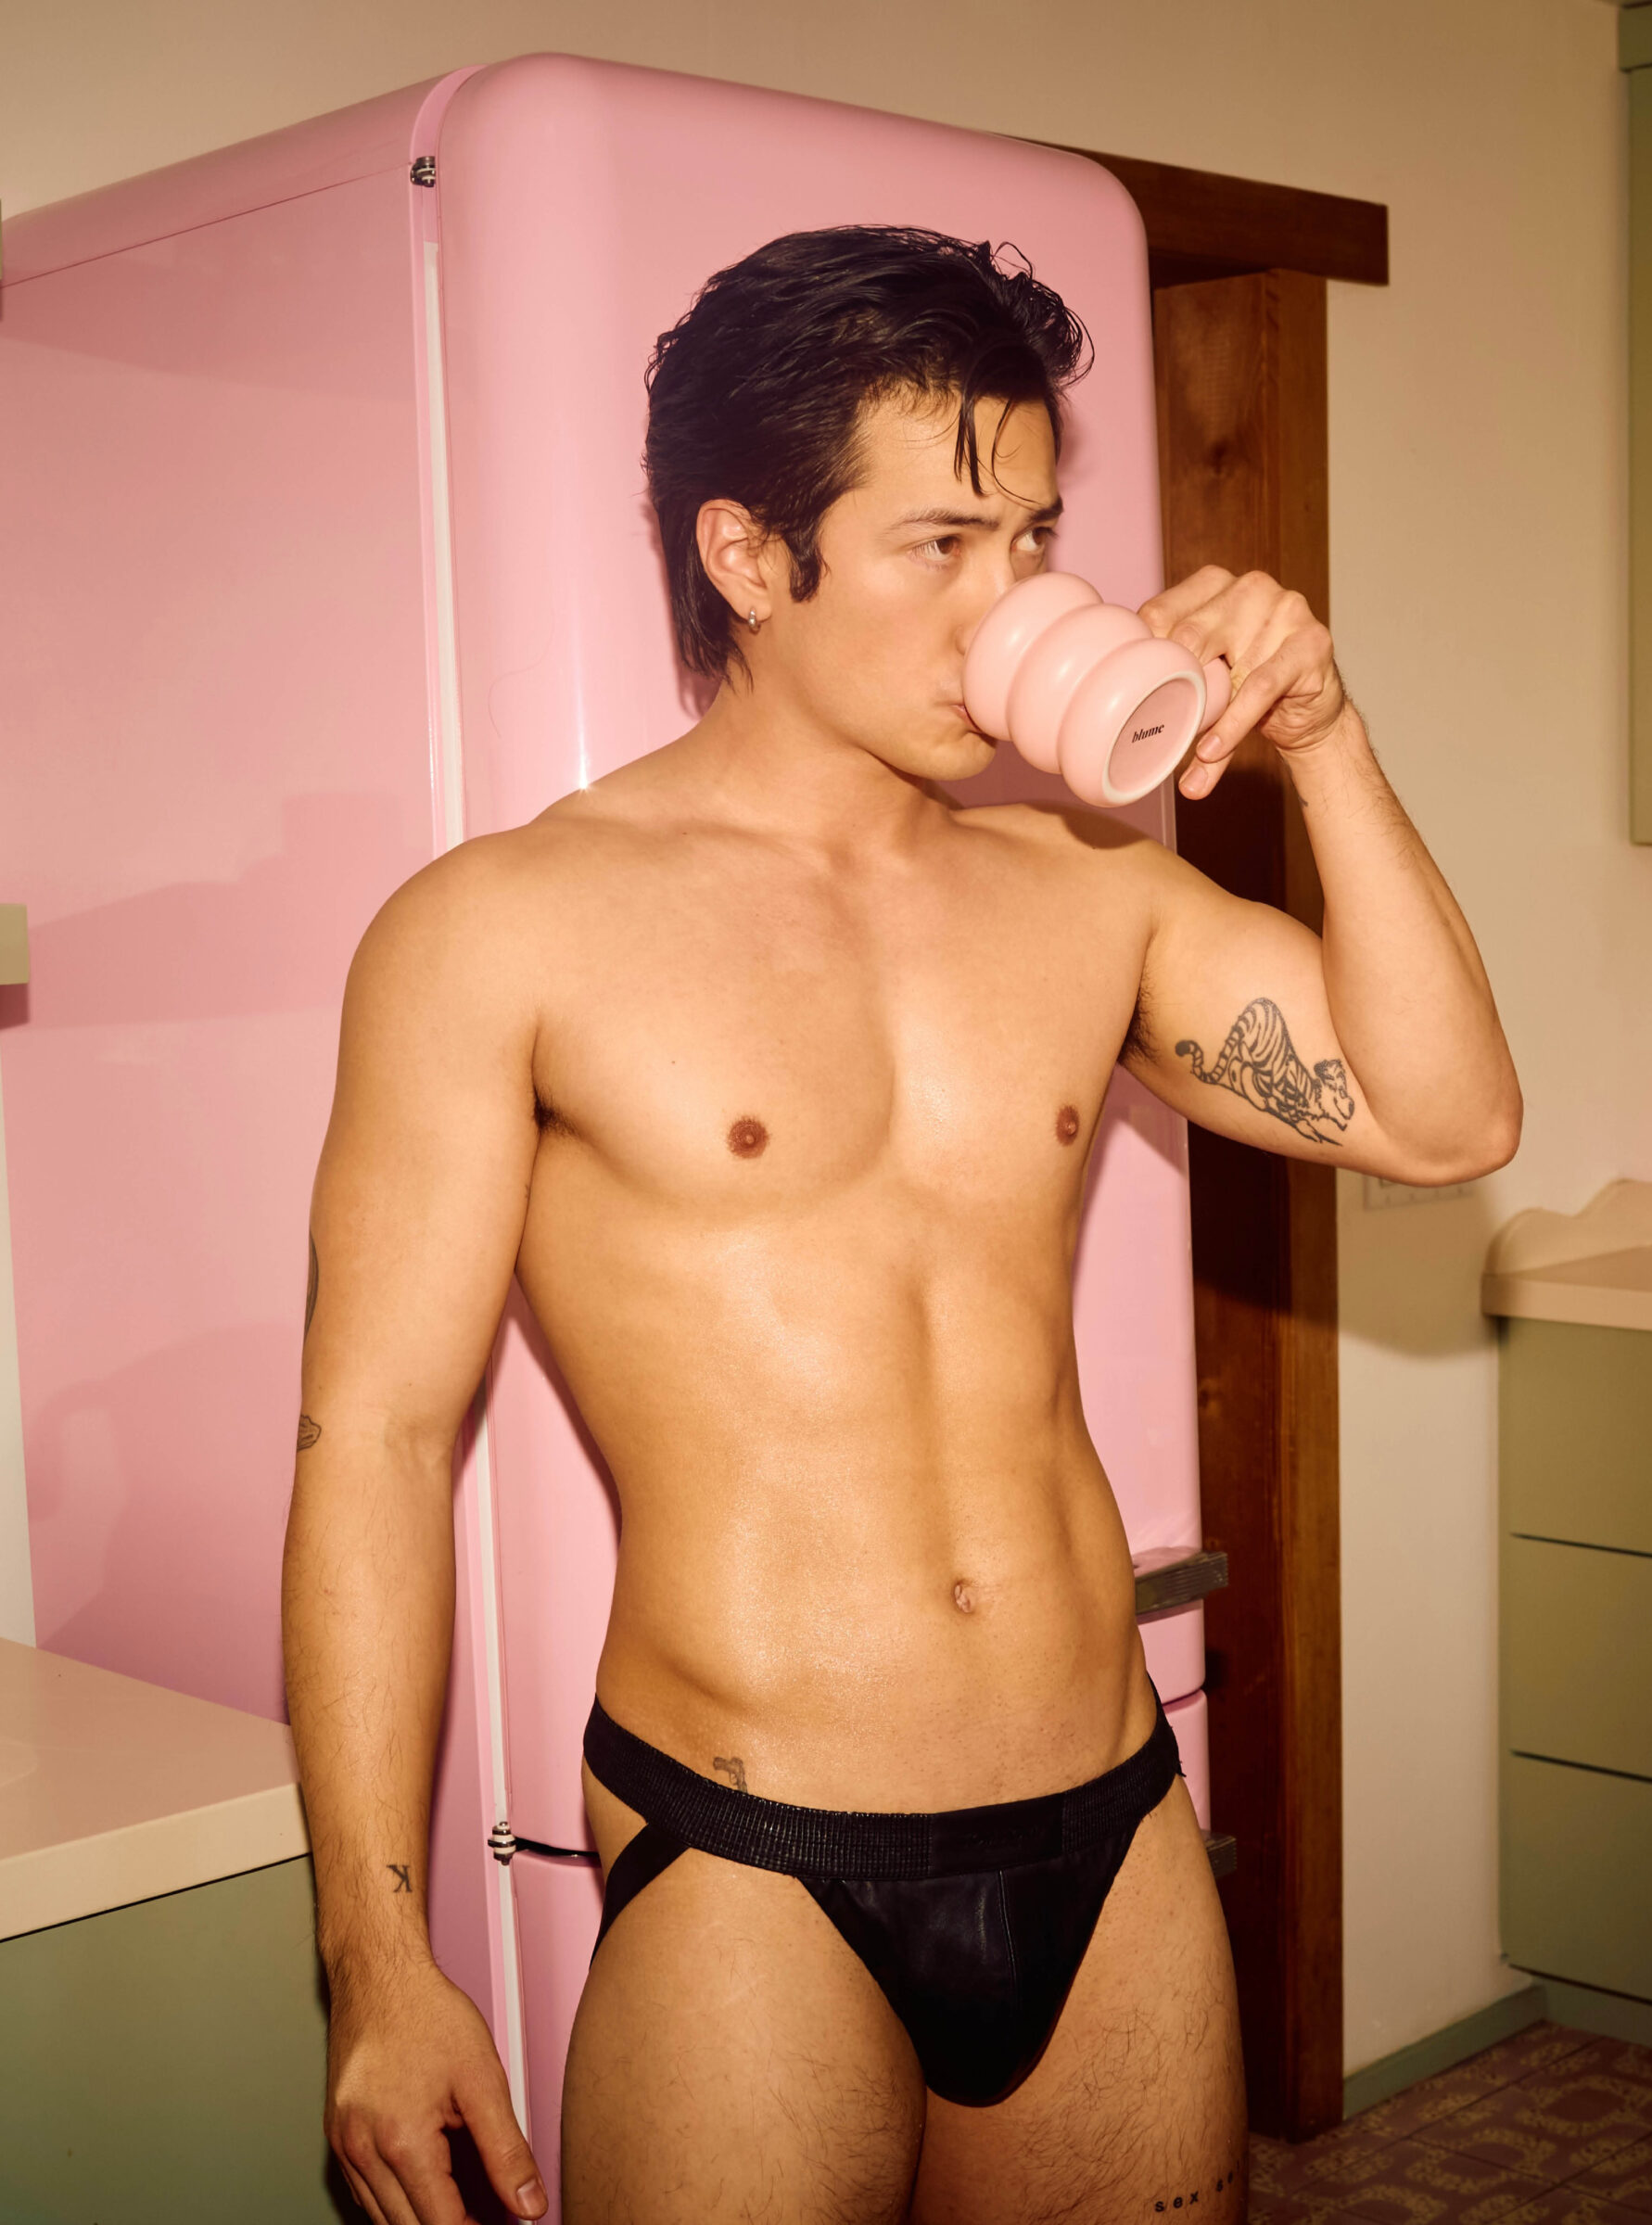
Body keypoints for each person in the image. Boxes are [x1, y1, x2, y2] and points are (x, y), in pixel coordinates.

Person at [283, 225, 1520, 2225]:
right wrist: (375, 1960)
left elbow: (1450, 1119)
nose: (1006, 603)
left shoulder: (1088, 895)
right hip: (755, 1854)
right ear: (746, 555)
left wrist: (1323, 740)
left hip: (1107, 1818)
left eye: (1030, 540)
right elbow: (377, 1444)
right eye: (939, 544)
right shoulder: (499, 933)